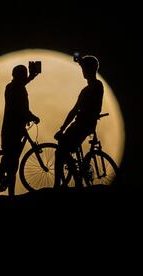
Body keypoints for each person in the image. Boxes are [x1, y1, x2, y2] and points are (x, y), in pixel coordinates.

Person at [54, 55, 104, 188]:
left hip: (83, 125)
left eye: (84, 69)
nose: (83, 71)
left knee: (60, 151)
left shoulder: (93, 87)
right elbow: (75, 110)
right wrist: (63, 127)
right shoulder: (92, 88)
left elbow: (75, 110)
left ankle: (60, 184)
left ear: (90, 69)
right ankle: (74, 179)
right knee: (65, 148)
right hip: (83, 124)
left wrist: (63, 128)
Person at [0, 64, 40, 197]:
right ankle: (2, 191)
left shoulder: (12, 86)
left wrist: (32, 77)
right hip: (13, 130)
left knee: (9, 162)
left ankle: (0, 191)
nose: (25, 77)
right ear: (20, 76)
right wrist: (33, 117)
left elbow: (21, 85)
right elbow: (21, 109)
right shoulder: (17, 89)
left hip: (12, 129)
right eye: (24, 74)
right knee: (10, 163)